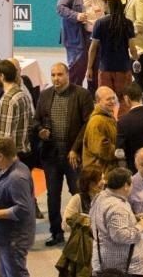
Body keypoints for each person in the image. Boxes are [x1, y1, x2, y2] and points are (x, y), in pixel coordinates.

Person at [33, 62, 94, 247]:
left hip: (72, 157)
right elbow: (35, 120)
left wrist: (75, 149)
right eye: (53, 75)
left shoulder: (82, 95)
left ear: (68, 75)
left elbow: (87, 123)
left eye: (60, 74)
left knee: (78, 193)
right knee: (53, 196)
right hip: (51, 156)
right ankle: (56, 232)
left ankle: (82, 233)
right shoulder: (45, 95)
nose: (56, 78)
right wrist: (40, 131)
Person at [0, 138, 36, 277]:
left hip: (13, 238)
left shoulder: (16, 178)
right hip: (6, 236)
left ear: (1, 156)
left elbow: (23, 209)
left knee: (15, 273)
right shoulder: (13, 168)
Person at [89, 167, 143, 275]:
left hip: (105, 263)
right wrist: (141, 226)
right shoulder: (117, 206)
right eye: (131, 183)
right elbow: (120, 235)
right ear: (126, 186)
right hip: (123, 269)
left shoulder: (100, 197)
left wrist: (133, 219)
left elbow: (106, 223)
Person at [57, 0, 104, 89]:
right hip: (78, 38)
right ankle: (72, 95)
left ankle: (92, 96)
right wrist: (77, 15)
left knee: (96, 68)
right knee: (78, 68)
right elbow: (60, 8)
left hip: (97, 37)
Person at [88, 0, 136, 100]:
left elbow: (93, 48)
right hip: (123, 68)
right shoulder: (127, 23)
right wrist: (136, 59)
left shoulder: (100, 23)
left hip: (105, 68)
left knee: (105, 100)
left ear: (108, 3)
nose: (103, 5)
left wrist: (89, 68)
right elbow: (132, 48)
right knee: (123, 100)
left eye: (104, 2)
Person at [0, 60, 33, 159]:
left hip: (10, 157)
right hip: (23, 151)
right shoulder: (22, 94)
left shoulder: (8, 100)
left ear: (2, 76)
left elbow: (5, 138)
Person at [79, 86, 119, 174]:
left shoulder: (107, 116)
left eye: (113, 98)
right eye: (108, 99)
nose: (112, 101)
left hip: (106, 170)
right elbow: (102, 149)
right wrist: (120, 151)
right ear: (98, 101)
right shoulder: (97, 121)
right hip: (99, 174)